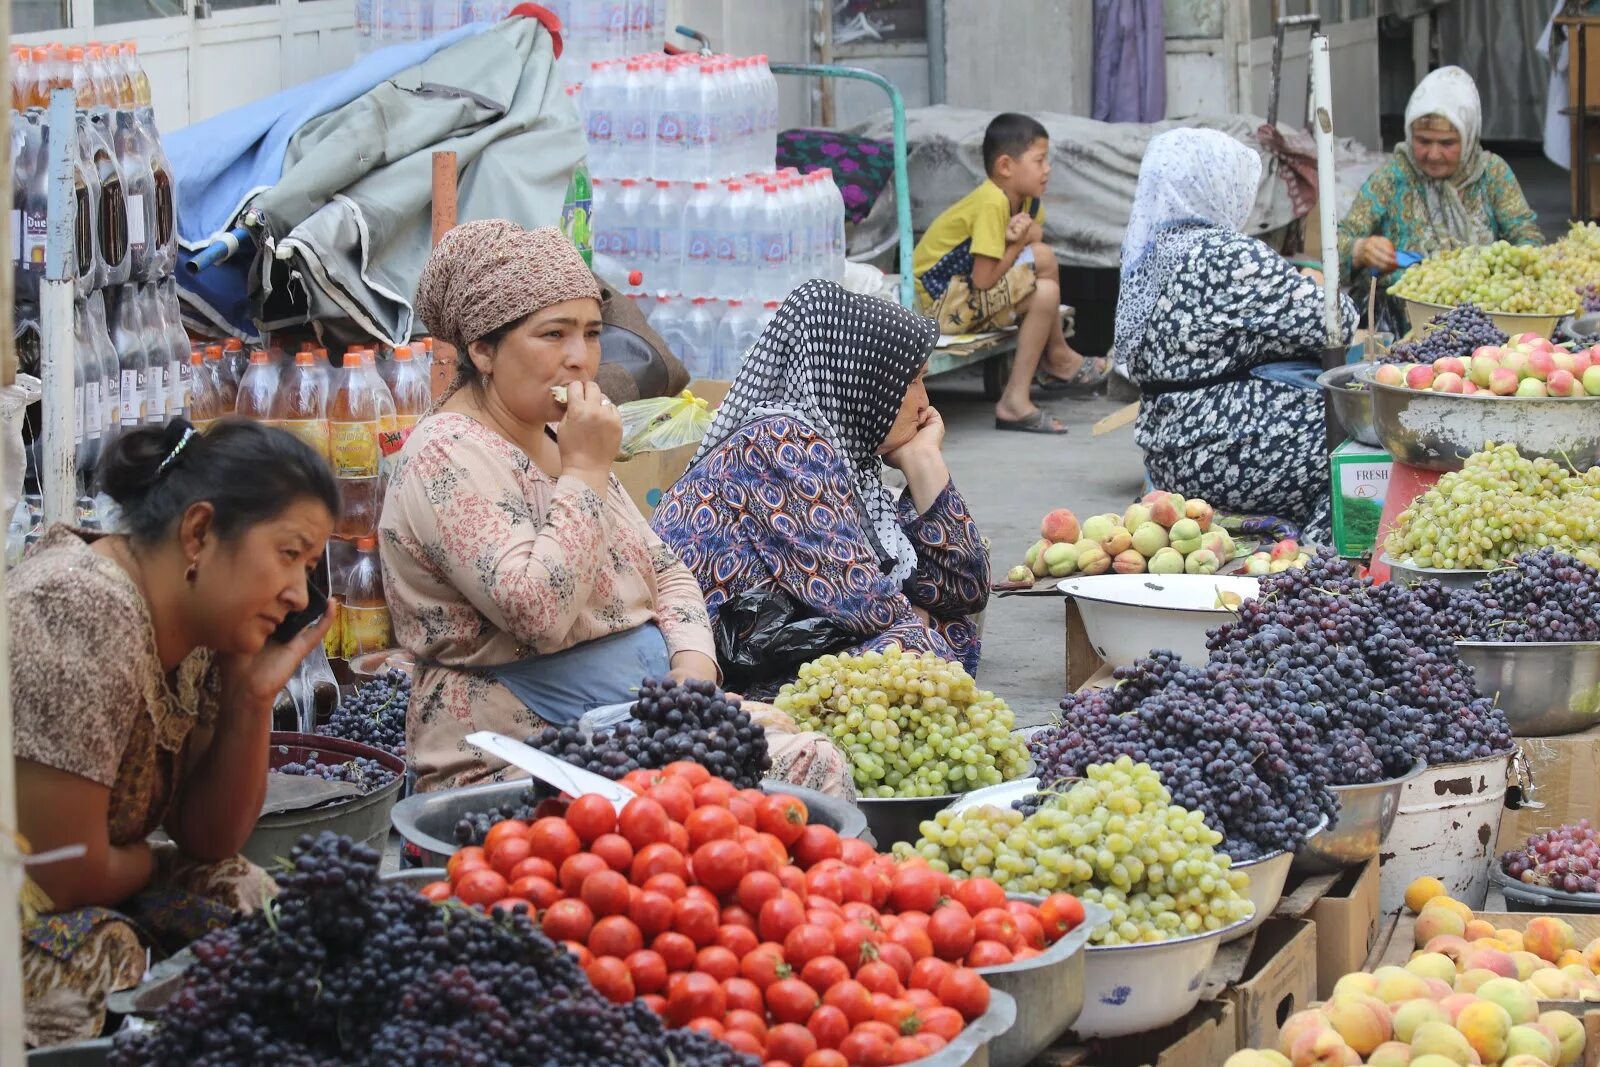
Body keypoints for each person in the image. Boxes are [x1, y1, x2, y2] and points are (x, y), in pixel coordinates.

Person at [14, 418, 338, 1047]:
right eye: (289, 554)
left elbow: (210, 839)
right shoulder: (79, 609)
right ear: (199, 532)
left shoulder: (196, 625)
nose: (300, 593)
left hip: (86, 882)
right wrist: (148, 860)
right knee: (95, 960)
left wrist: (251, 697)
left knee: (249, 898)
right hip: (27, 899)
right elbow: (58, 876)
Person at [382, 220, 719, 793]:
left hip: (638, 719)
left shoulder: (559, 434)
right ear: (483, 350)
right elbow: (536, 612)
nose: (580, 360)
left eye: (591, 334)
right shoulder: (446, 456)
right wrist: (587, 471)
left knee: (805, 758)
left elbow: (663, 568)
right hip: (525, 752)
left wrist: (690, 673)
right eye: (553, 335)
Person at [651, 281, 990, 698]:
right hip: (715, 675)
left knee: (946, 631)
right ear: (864, 383)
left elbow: (964, 589)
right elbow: (873, 608)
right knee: (921, 647)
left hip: (778, 645)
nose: (925, 403)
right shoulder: (782, 445)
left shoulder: (846, 455)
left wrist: (924, 461)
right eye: (913, 382)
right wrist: (912, 617)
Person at [1114, 128, 1357, 543]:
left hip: (1167, 444)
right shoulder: (1224, 254)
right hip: (1223, 449)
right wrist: (1315, 280)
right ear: (1214, 185)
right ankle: (1318, 564)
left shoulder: (1147, 253)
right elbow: (1337, 321)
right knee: (1360, 443)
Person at [912, 112, 1107, 434]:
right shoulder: (992, 201)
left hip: (967, 293)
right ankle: (1056, 357)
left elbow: (1031, 239)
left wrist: (1026, 240)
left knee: (1044, 290)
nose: (1048, 169)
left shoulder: (1029, 202)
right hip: (939, 301)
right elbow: (984, 279)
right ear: (1005, 166)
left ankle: (1016, 399)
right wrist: (1019, 245)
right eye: (1040, 160)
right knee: (1042, 259)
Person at [1339, 66, 1541, 289]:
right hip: (1403, 314)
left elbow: (1527, 237)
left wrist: (1510, 273)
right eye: (1423, 141)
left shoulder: (1492, 173)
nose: (1434, 155)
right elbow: (1337, 245)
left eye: (1447, 143)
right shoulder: (1391, 178)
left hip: (1480, 311)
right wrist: (1361, 249)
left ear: (1469, 138)